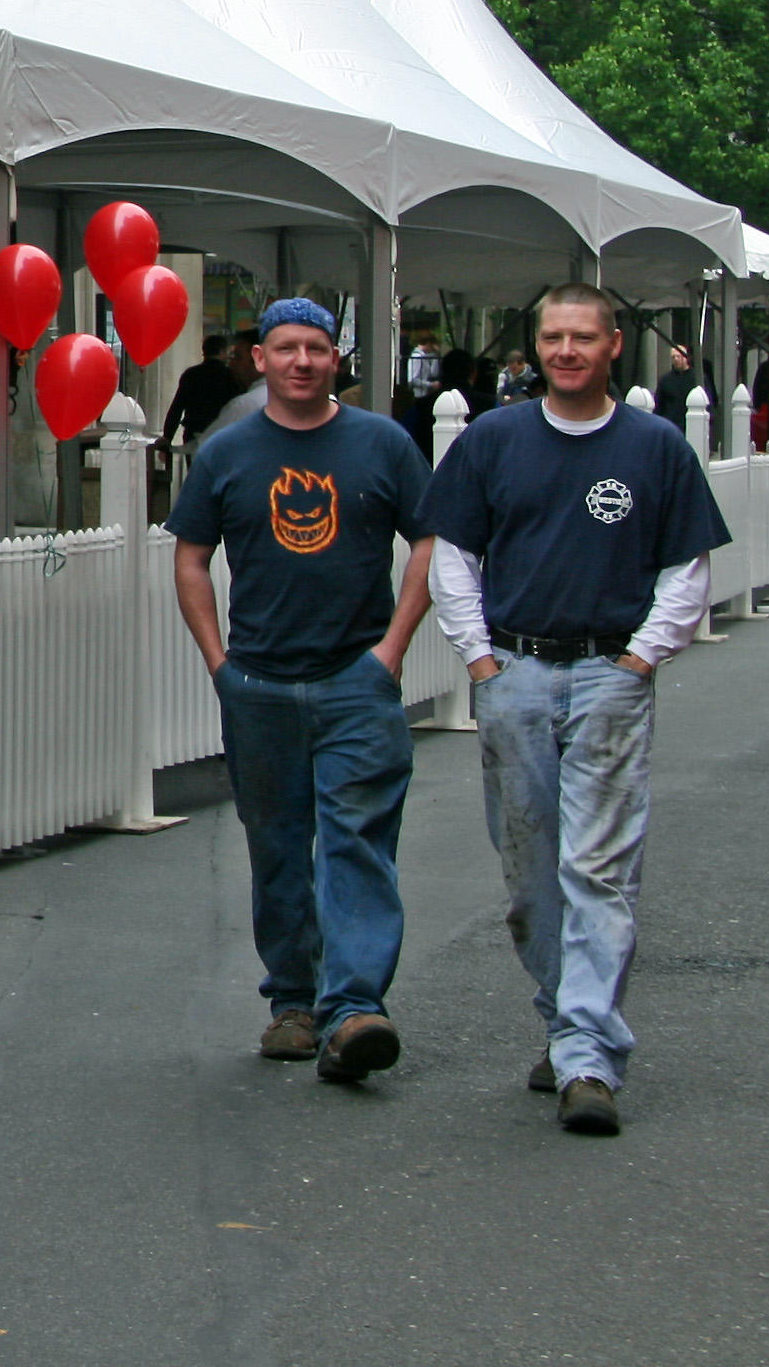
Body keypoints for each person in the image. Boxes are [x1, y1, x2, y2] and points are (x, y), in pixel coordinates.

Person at [421, 281, 731, 1139]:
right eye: (554, 337)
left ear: (612, 345)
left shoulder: (655, 448)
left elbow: (687, 568)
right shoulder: (493, 440)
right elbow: (454, 557)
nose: (566, 351)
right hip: (515, 671)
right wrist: (480, 659)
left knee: (598, 867)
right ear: (539, 346)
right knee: (529, 875)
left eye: (583, 338)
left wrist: (639, 659)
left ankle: (588, 1055)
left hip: (609, 677)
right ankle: (567, 1022)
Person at [169, 298, 439, 1086]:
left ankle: (353, 1007)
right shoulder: (227, 453)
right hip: (259, 682)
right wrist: (220, 663)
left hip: (357, 679)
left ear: (335, 359)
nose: (301, 362)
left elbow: (430, 538)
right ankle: (293, 1001)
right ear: (260, 358)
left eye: (316, 349)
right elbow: (190, 558)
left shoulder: (382, 444)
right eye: (285, 348)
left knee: (357, 840)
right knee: (278, 844)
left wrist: (392, 650)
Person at [170, 335, 240, 446]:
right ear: (222, 351)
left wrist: (167, 437)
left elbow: (176, 408)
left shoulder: (191, 374)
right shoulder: (230, 375)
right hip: (223, 434)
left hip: (193, 433)